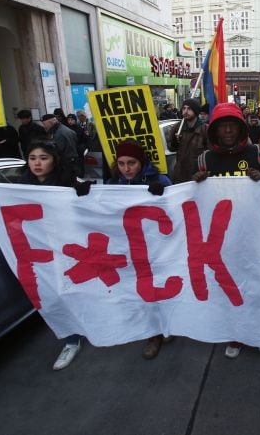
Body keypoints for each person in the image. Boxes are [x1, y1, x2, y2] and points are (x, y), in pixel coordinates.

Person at [0, 140, 92, 370]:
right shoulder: (18, 188)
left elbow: (95, 208)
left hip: (70, 248)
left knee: (79, 289)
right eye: (33, 158)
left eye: (43, 157)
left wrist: (84, 194)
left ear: (54, 160)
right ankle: (72, 340)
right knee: (55, 296)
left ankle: (91, 324)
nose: (37, 163)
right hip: (40, 254)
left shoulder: (68, 183)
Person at [191, 102, 260, 358]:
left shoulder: (259, 154)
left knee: (259, 285)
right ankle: (237, 334)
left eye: (232, 126)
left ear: (240, 129)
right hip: (223, 240)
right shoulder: (205, 159)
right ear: (214, 131)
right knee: (230, 288)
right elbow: (189, 198)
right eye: (222, 127)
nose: (227, 131)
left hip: (255, 234)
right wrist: (195, 182)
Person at [108, 139, 172, 359]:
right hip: (130, 247)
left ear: (141, 161)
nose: (126, 169)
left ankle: (169, 325)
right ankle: (153, 334)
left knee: (163, 286)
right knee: (142, 290)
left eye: (132, 163)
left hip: (158, 246)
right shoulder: (113, 185)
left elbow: (177, 208)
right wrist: (86, 194)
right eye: (122, 163)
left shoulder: (159, 179)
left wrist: (163, 193)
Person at [172, 98, 208, 184]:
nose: (185, 111)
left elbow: (209, 153)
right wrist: (175, 140)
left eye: (189, 109)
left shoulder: (205, 129)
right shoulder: (177, 128)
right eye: (184, 108)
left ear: (195, 111)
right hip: (180, 175)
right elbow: (172, 148)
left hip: (198, 176)